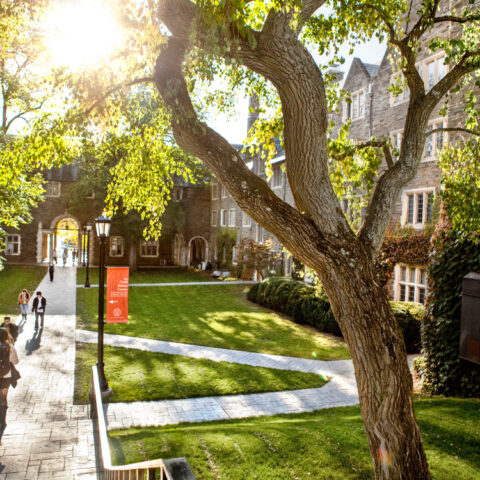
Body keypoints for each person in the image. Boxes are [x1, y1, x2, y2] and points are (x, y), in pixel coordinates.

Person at [0, 327, 19, 444]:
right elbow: (16, 361)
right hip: (6, 376)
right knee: (3, 398)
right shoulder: (10, 347)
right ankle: (3, 419)